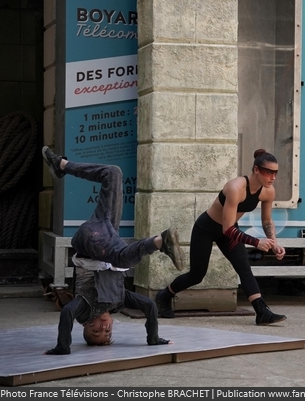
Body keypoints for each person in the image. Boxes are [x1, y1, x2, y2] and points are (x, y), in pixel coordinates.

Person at [41, 146, 184, 354]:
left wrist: (63, 346)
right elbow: (150, 307)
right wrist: (153, 339)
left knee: (120, 258)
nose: (104, 328)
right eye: (107, 333)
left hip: (89, 241)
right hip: (107, 229)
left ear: (86, 325)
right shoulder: (118, 301)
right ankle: (61, 165)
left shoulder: (85, 310)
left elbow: (67, 314)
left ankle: (160, 242)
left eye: (96, 332)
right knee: (113, 173)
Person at [156, 149, 287, 325]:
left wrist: (274, 244)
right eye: (268, 172)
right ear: (256, 169)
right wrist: (256, 242)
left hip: (230, 230)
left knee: (243, 267)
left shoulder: (268, 192)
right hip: (207, 229)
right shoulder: (236, 187)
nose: (272, 177)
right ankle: (163, 296)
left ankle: (261, 311)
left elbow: (266, 220)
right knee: (197, 275)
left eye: (275, 173)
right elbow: (227, 229)